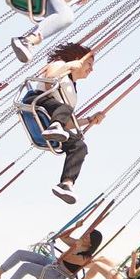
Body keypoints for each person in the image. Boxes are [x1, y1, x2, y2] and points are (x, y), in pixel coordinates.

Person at [29, 42, 105, 204]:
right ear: (79, 59)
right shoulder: (60, 65)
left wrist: (89, 120)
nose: (91, 69)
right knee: (64, 108)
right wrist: (69, 65)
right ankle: (54, 127)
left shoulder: (73, 92)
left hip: (52, 119)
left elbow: (68, 123)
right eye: (89, 64)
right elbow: (49, 78)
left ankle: (66, 184)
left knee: (80, 146)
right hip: (38, 103)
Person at [0, 218, 105, 279]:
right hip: (54, 264)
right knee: (20, 253)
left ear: (91, 243)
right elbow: (62, 236)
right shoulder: (79, 244)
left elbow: (65, 257)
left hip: (57, 275)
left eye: (89, 234)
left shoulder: (85, 258)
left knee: (26, 267)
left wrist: (74, 247)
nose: (86, 234)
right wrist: (76, 227)